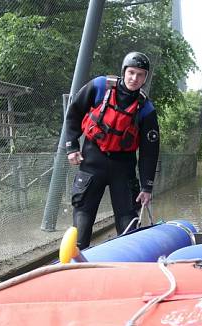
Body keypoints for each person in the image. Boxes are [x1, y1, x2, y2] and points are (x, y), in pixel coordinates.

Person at [64, 51, 160, 249]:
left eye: (141, 74)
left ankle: (126, 266)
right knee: (82, 219)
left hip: (123, 168)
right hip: (92, 162)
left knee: (127, 224)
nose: (135, 78)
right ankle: (77, 262)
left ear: (145, 78)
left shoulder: (147, 109)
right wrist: (72, 146)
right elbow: (74, 113)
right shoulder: (99, 86)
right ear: (124, 72)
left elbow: (149, 152)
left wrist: (146, 187)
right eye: (131, 72)